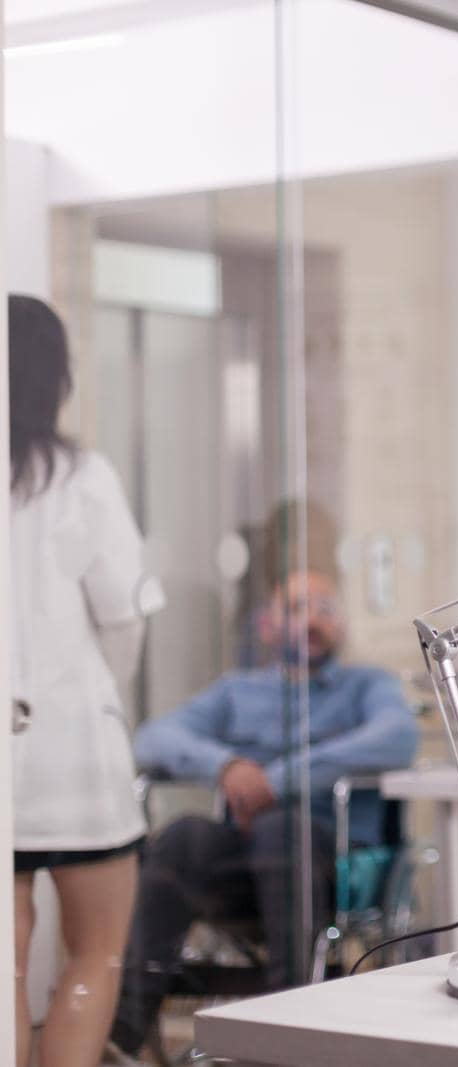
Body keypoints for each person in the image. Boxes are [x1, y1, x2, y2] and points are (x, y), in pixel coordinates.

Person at [109, 569, 419, 1057]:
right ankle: (124, 1031)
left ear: (340, 626)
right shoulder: (237, 692)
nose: (311, 620)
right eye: (295, 608)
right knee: (185, 834)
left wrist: (273, 781)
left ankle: (285, 1022)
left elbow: (397, 738)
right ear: (267, 626)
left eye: (324, 608)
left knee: (281, 828)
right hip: (244, 857)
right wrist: (225, 765)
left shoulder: (366, 686)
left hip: (330, 854)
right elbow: (153, 738)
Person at [8, 295, 167, 1067]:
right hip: (75, 754)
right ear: (55, 378)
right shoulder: (82, 478)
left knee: (3, 969)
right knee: (95, 955)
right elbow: (125, 614)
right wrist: (105, 686)